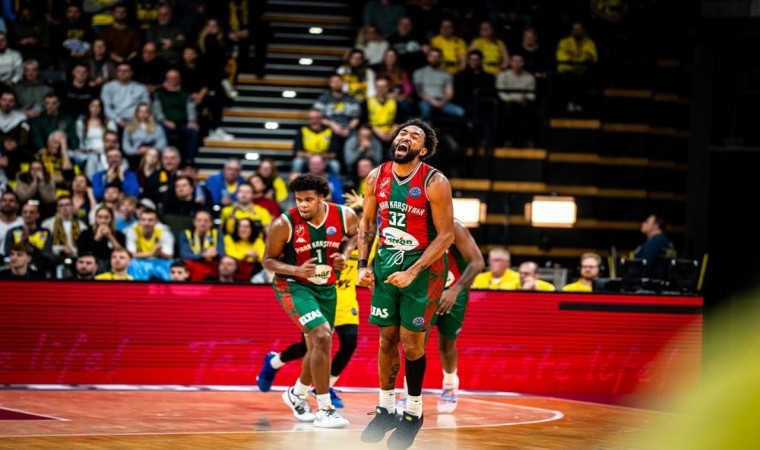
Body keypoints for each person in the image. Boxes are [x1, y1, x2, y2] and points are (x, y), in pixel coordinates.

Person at [357, 119, 454, 448]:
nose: (405, 137)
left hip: (423, 267)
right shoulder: (376, 176)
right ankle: (386, 409)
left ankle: (413, 412)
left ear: (422, 150)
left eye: (414, 136)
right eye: (402, 133)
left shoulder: (434, 181)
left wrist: (413, 271)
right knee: (386, 340)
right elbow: (367, 223)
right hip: (386, 262)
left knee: (412, 345)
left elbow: (446, 235)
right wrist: (363, 264)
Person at [256, 192, 372, 408]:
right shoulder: (333, 233)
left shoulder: (370, 243)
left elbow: (371, 266)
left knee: (349, 343)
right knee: (310, 347)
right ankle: (275, 361)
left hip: (345, 298)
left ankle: (324, 387)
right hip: (316, 292)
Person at [397, 219, 485, 414]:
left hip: (453, 291)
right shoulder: (414, 224)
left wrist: (455, 290)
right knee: (415, 344)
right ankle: (408, 394)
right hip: (425, 291)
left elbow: (478, 262)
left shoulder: (454, 226)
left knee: (447, 346)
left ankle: (450, 385)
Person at [633, 214, 675, 279]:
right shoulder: (666, 242)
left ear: (656, 225)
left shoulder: (654, 243)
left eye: (647, 222)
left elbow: (644, 265)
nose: (643, 224)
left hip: (650, 282)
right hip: (664, 282)